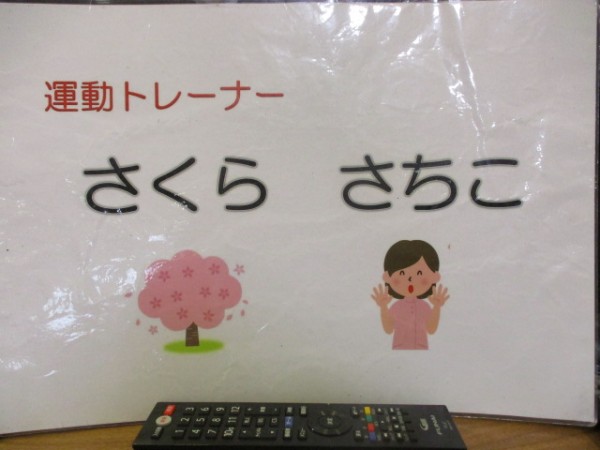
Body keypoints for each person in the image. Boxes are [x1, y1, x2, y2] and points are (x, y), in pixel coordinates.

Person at [371, 240, 449, 350]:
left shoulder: (424, 307)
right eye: (402, 273)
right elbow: (388, 329)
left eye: (419, 273)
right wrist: (383, 306)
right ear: (388, 277)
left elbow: (431, 329)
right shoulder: (396, 307)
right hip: (399, 349)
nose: (410, 279)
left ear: (434, 277)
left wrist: (437, 307)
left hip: (422, 349)